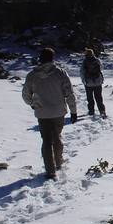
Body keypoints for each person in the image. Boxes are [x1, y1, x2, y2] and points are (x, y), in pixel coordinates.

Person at [22, 47, 77, 180]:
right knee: (57, 136)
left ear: (40, 58)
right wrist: (74, 111)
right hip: (58, 111)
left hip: (42, 112)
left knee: (46, 140)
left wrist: (33, 104)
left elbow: (25, 95)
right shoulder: (60, 73)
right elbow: (69, 93)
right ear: (53, 58)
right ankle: (58, 162)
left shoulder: (32, 75)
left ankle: (50, 170)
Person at [80, 48, 106, 117]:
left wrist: (84, 81)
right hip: (98, 82)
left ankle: (91, 111)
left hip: (88, 83)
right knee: (99, 98)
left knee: (90, 98)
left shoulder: (85, 61)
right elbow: (101, 68)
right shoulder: (97, 60)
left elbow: (82, 72)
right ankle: (102, 111)